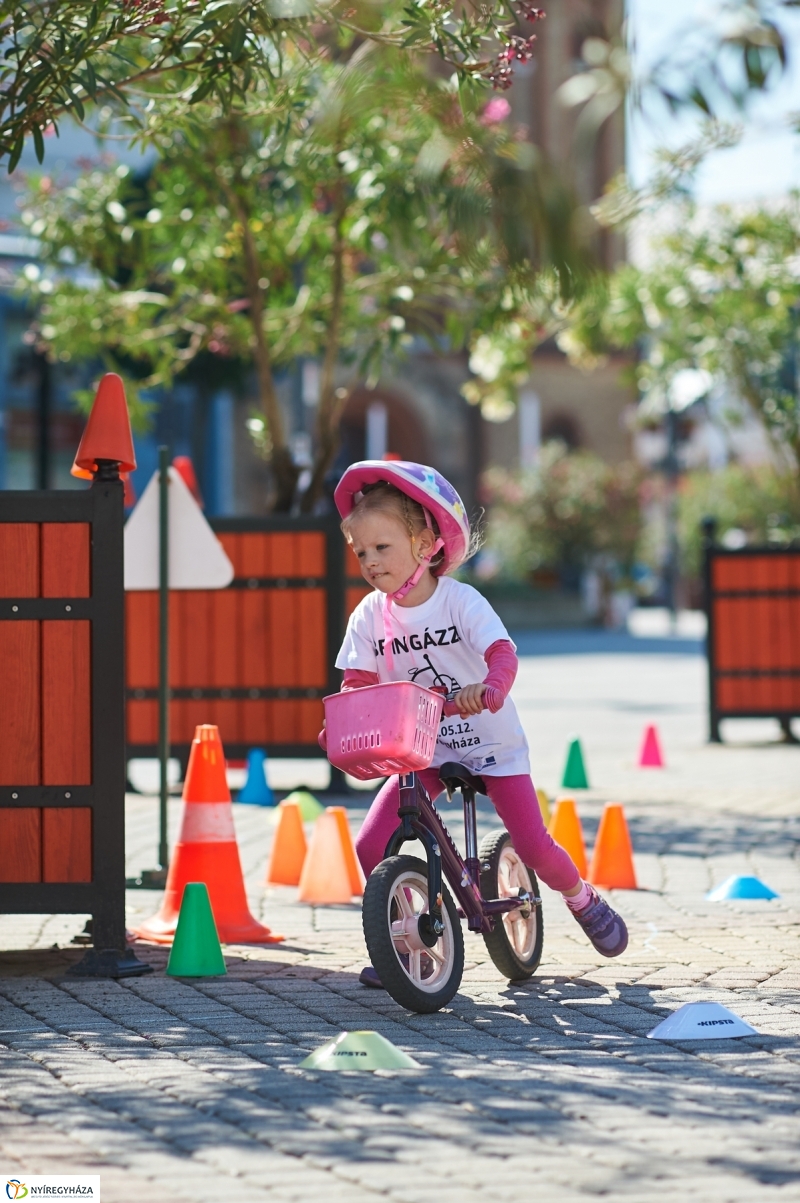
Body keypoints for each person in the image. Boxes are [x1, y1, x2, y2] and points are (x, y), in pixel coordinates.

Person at [330, 459, 628, 988]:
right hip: (420, 747)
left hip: (489, 740)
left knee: (534, 845)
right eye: (361, 552)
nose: (370, 562)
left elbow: (501, 653)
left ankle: (581, 896)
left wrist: (490, 688)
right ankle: (401, 940)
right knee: (370, 845)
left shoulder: (460, 601)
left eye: (382, 548)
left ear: (425, 545)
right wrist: (345, 719)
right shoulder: (368, 617)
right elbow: (357, 682)